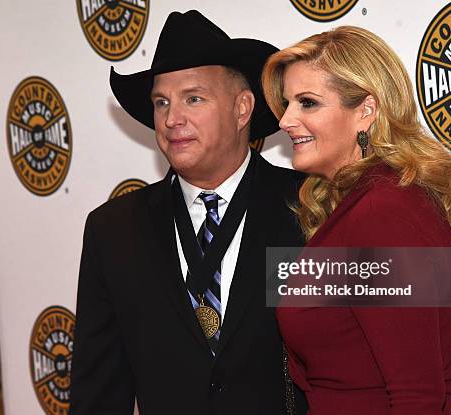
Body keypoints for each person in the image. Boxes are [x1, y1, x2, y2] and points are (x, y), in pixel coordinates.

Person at [70, 10, 307, 415]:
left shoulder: (309, 207)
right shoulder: (112, 230)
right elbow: (98, 394)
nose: (171, 119)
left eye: (193, 98)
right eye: (161, 102)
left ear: (242, 108)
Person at [261, 26, 451, 415]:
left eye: (307, 103)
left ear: (365, 112)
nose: (285, 120)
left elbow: (416, 393)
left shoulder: (381, 212)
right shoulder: (382, 198)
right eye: (287, 104)